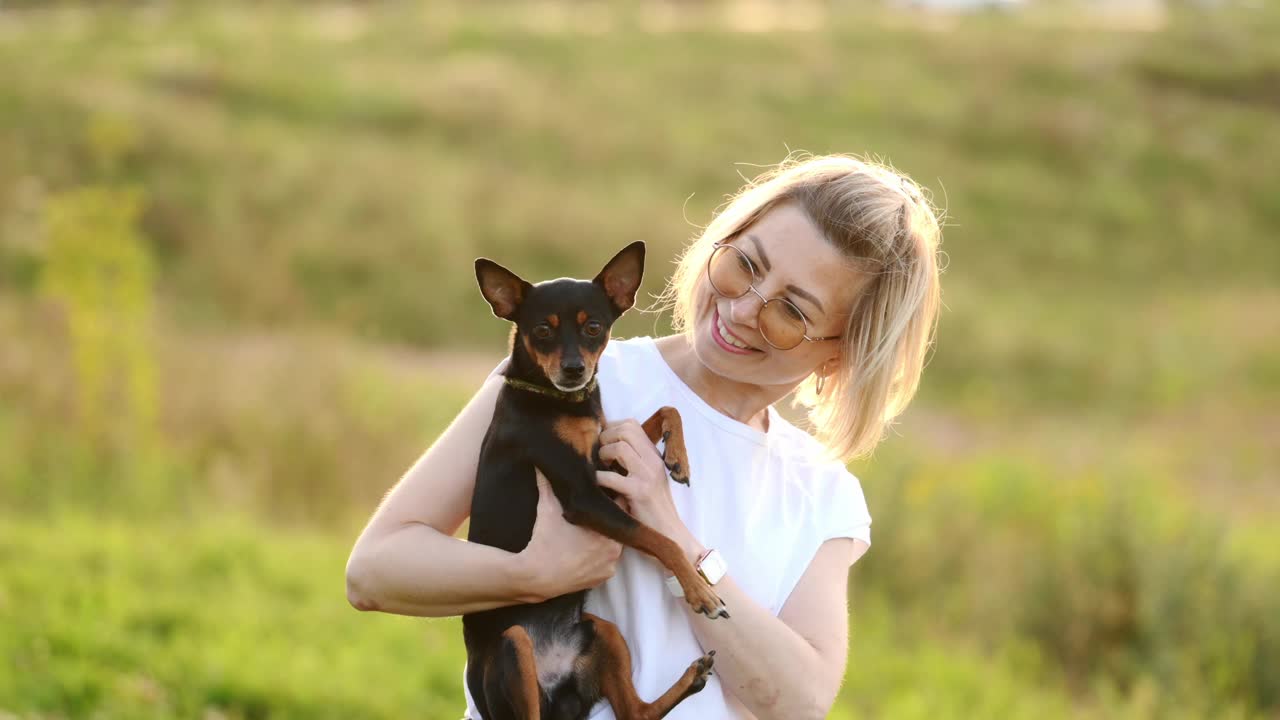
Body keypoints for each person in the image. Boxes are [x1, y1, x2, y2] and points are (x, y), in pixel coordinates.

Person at [345, 153, 943, 719]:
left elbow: (799, 702)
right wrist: (533, 573)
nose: (740, 310)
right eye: (747, 264)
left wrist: (673, 533)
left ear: (842, 355)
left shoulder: (819, 492)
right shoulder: (571, 384)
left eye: (793, 310)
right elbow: (375, 569)